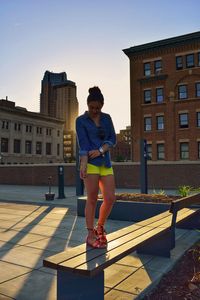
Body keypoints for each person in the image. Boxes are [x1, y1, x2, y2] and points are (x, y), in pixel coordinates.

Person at [76, 86, 116, 248]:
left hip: (105, 162)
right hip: (91, 165)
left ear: (102, 106)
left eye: (97, 108)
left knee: (110, 198)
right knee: (92, 199)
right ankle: (90, 234)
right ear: (87, 105)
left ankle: (100, 226)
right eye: (92, 107)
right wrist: (83, 164)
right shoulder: (80, 121)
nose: (94, 110)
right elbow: (83, 144)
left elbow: (112, 139)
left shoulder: (107, 118)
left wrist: (100, 150)